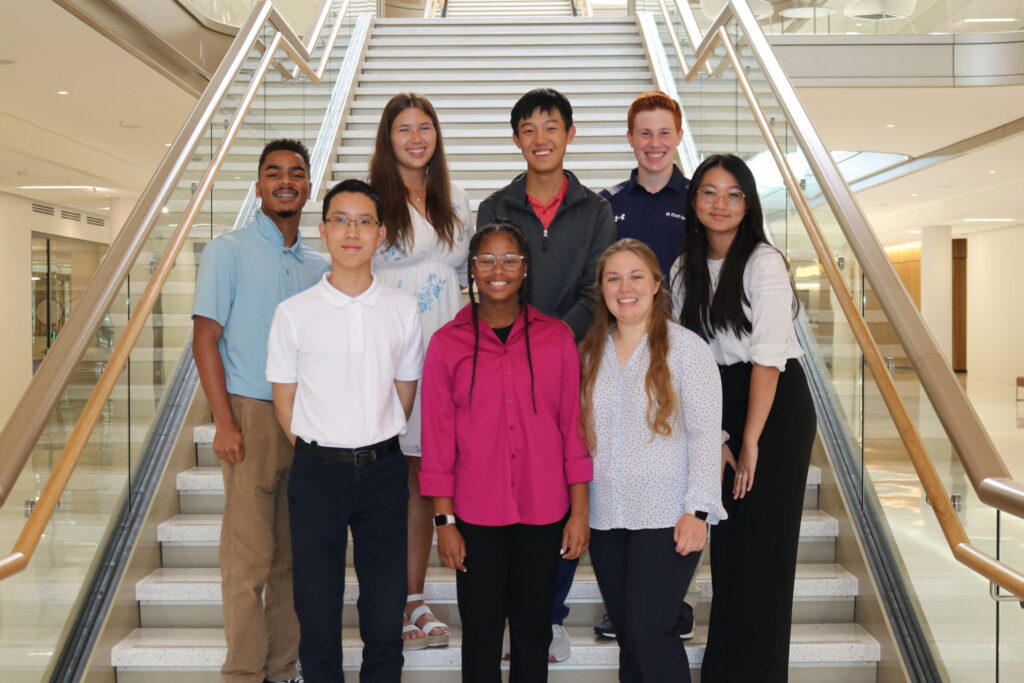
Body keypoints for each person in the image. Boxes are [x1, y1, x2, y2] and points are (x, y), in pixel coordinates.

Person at [475, 87, 615, 661]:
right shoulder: (495, 207)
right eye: (528, 129)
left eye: (551, 127)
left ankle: (549, 614)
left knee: (560, 484)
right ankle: (513, 613)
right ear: (516, 140)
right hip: (504, 363)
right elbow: (492, 280)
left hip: (574, 361)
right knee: (510, 480)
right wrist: (523, 339)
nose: (540, 139)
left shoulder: (596, 209)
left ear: (570, 134)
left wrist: (553, 339)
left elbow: (595, 288)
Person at [419, 222, 592, 682]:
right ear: (472, 270)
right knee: (480, 633)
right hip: (475, 517)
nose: (499, 270)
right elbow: (437, 442)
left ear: (525, 268)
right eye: (487, 260)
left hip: (544, 512)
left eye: (510, 259)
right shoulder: (445, 345)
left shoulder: (556, 339)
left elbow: (572, 429)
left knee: (534, 630)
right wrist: (445, 523)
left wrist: (579, 512)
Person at [266, 179, 424, 683]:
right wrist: (323, 450)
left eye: (363, 221)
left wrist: (371, 438)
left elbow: (403, 392)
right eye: (340, 220)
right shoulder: (293, 314)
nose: (351, 232)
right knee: (316, 609)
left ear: (381, 234)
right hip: (317, 473)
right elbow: (285, 405)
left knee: (383, 609)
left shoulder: (402, 310)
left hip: (383, 471)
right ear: (323, 230)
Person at [671, 154, 815, 682]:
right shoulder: (684, 267)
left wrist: (750, 438)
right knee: (729, 551)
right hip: (719, 402)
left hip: (774, 405)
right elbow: (687, 357)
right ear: (694, 201)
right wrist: (717, 438)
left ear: (748, 204)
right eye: (709, 192)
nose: (720, 204)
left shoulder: (763, 262)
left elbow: (769, 357)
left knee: (765, 553)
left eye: (734, 194)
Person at [192, 138, 328, 683]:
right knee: (247, 560)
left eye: (296, 172)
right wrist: (224, 421)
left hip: (309, 421)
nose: (285, 181)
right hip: (251, 414)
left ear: (309, 186)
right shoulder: (227, 250)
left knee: (292, 561)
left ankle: (282, 667)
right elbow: (206, 338)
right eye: (274, 173)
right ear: (259, 187)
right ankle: (244, 673)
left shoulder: (319, 266)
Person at [581, 238, 725, 682]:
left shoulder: (688, 350)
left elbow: (705, 437)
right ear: (602, 289)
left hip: (667, 517)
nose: (625, 287)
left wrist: (697, 511)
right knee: (629, 634)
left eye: (636, 276)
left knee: (650, 630)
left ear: (658, 285)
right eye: (613, 278)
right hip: (607, 517)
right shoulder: (589, 353)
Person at [369, 92, 472, 650]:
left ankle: (432, 597)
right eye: (403, 128)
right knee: (403, 484)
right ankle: (403, 600)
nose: (415, 137)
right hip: (391, 355)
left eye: (424, 127)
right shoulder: (372, 201)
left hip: (450, 350)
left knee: (440, 477)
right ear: (388, 139)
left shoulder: (455, 201)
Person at [597, 91, 700, 642]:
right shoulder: (608, 203)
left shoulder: (697, 200)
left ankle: (663, 605)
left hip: (682, 361)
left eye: (664, 132)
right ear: (630, 137)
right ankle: (637, 603)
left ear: (678, 136)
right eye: (644, 132)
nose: (654, 143)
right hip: (625, 357)